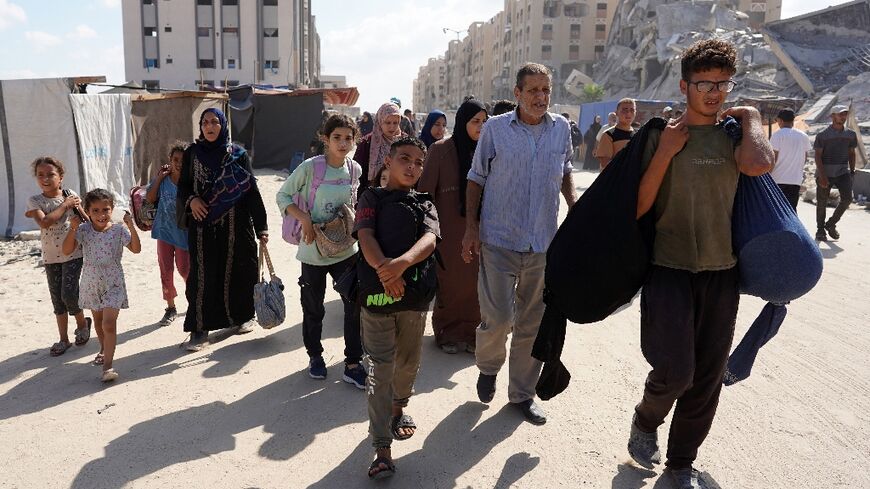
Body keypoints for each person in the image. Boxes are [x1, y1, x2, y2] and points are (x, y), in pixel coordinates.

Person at [630, 39, 773, 489]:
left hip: (721, 270)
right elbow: (638, 206)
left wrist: (750, 118)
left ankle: (680, 464)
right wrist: (668, 151)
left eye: (722, 83)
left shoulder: (735, 136)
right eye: (703, 83)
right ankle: (646, 417)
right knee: (676, 370)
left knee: (707, 377)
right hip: (668, 266)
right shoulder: (659, 135)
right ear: (684, 85)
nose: (714, 92)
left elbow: (759, 165)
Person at [462, 63, 577, 425]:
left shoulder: (561, 130)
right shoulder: (495, 129)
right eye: (533, 91)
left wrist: (574, 209)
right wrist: (470, 228)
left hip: (543, 242)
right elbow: (476, 178)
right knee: (497, 318)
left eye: (546, 90)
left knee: (531, 323)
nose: (541, 97)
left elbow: (567, 171)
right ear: (517, 94)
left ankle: (522, 395)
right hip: (498, 239)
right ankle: (488, 367)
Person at [354, 137, 440, 479]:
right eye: (405, 158)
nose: (412, 166)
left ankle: (399, 407)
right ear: (387, 162)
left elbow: (430, 239)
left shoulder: (425, 203)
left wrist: (400, 266)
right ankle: (381, 448)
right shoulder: (370, 197)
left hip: (414, 300)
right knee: (380, 369)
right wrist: (385, 273)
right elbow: (365, 236)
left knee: (408, 363)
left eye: (419, 162)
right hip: (376, 298)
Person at [276, 114, 366, 388]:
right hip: (313, 251)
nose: (343, 143)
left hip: (345, 251)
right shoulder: (310, 168)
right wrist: (304, 219)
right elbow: (283, 196)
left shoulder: (355, 170)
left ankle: (352, 363)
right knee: (313, 309)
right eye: (336, 137)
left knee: (354, 307)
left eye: (348, 138)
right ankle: (315, 356)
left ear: (355, 140)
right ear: (325, 139)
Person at [176, 108, 269, 352]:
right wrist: (192, 201)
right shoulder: (192, 154)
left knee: (241, 270)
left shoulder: (237, 154)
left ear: (222, 125)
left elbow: (251, 190)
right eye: (205, 122)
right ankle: (199, 329)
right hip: (202, 224)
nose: (210, 126)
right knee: (202, 275)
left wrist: (262, 227)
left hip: (236, 225)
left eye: (215, 121)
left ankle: (242, 317)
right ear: (200, 127)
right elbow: (184, 187)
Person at [418, 98, 488, 354]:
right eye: (475, 121)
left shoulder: (488, 149)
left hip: (481, 229)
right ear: (462, 122)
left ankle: (471, 334)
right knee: (449, 282)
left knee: (476, 284)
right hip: (447, 231)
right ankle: (447, 333)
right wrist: (428, 230)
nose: (480, 126)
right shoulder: (440, 150)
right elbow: (425, 193)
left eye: (484, 121)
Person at [62, 188, 142, 382]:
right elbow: (66, 251)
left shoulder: (118, 230)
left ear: (112, 209)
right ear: (87, 211)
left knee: (108, 323)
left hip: (113, 282)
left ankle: (108, 366)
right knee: (98, 322)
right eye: (95, 210)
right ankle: (103, 348)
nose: (101, 215)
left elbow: (136, 249)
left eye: (105, 209)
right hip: (91, 282)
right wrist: (72, 227)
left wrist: (131, 227)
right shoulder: (83, 230)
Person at [25, 156, 91, 357]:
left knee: (69, 293)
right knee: (57, 300)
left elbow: (85, 220)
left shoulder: (71, 195)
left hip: (73, 253)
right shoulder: (35, 201)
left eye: (50, 174)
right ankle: (64, 339)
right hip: (51, 257)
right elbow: (45, 222)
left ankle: (82, 324)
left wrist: (77, 206)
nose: (45, 178)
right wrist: (65, 205)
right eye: (40, 175)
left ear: (60, 177)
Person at [144, 141, 190, 326]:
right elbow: (150, 198)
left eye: (183, 160)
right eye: (175, 159)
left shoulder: (190, 182)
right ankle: (170, 308)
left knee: (185, 269)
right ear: (170, 160)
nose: (179, 163)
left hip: (183, 234)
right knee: (166, 271)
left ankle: (193, 301)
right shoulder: (163, 180)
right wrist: (159, 179)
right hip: (163, 232)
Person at [813, 105, 858, 241]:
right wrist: (822, 176)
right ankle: (820, 230)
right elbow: (817, 156)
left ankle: (831, 224)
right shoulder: (822, 135)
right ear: (832, 116)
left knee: (847, 199)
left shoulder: (851, 134)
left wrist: (852, 170)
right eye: (840, 114)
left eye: (845, 114)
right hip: (825, 172)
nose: (843, 117)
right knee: (822, 202)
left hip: (842, 172)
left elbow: (852, 153)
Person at [353, 102, 405, 195]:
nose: (392, 126)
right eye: (388, 122)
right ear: (380, 121)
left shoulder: (405, 141)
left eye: (395, 123)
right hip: (373, 195)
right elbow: (357, 173)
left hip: (400, 195)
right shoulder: (367, 143)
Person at [769, 108, 812, 210]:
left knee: (777, 210)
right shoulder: (803, 136)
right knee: (791, 210)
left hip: (777, 179)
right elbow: (805, 158)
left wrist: (768, 176)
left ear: (781, 120)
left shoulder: (777, 135)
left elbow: (773, 158)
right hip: (795, 180)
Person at [597, 98, 637, 169]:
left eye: (632, 110)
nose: (628, 113)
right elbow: (605, 164)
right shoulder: (609, 135)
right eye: (625, 110)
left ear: (635, 113)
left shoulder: (637, 135)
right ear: (617, 113)